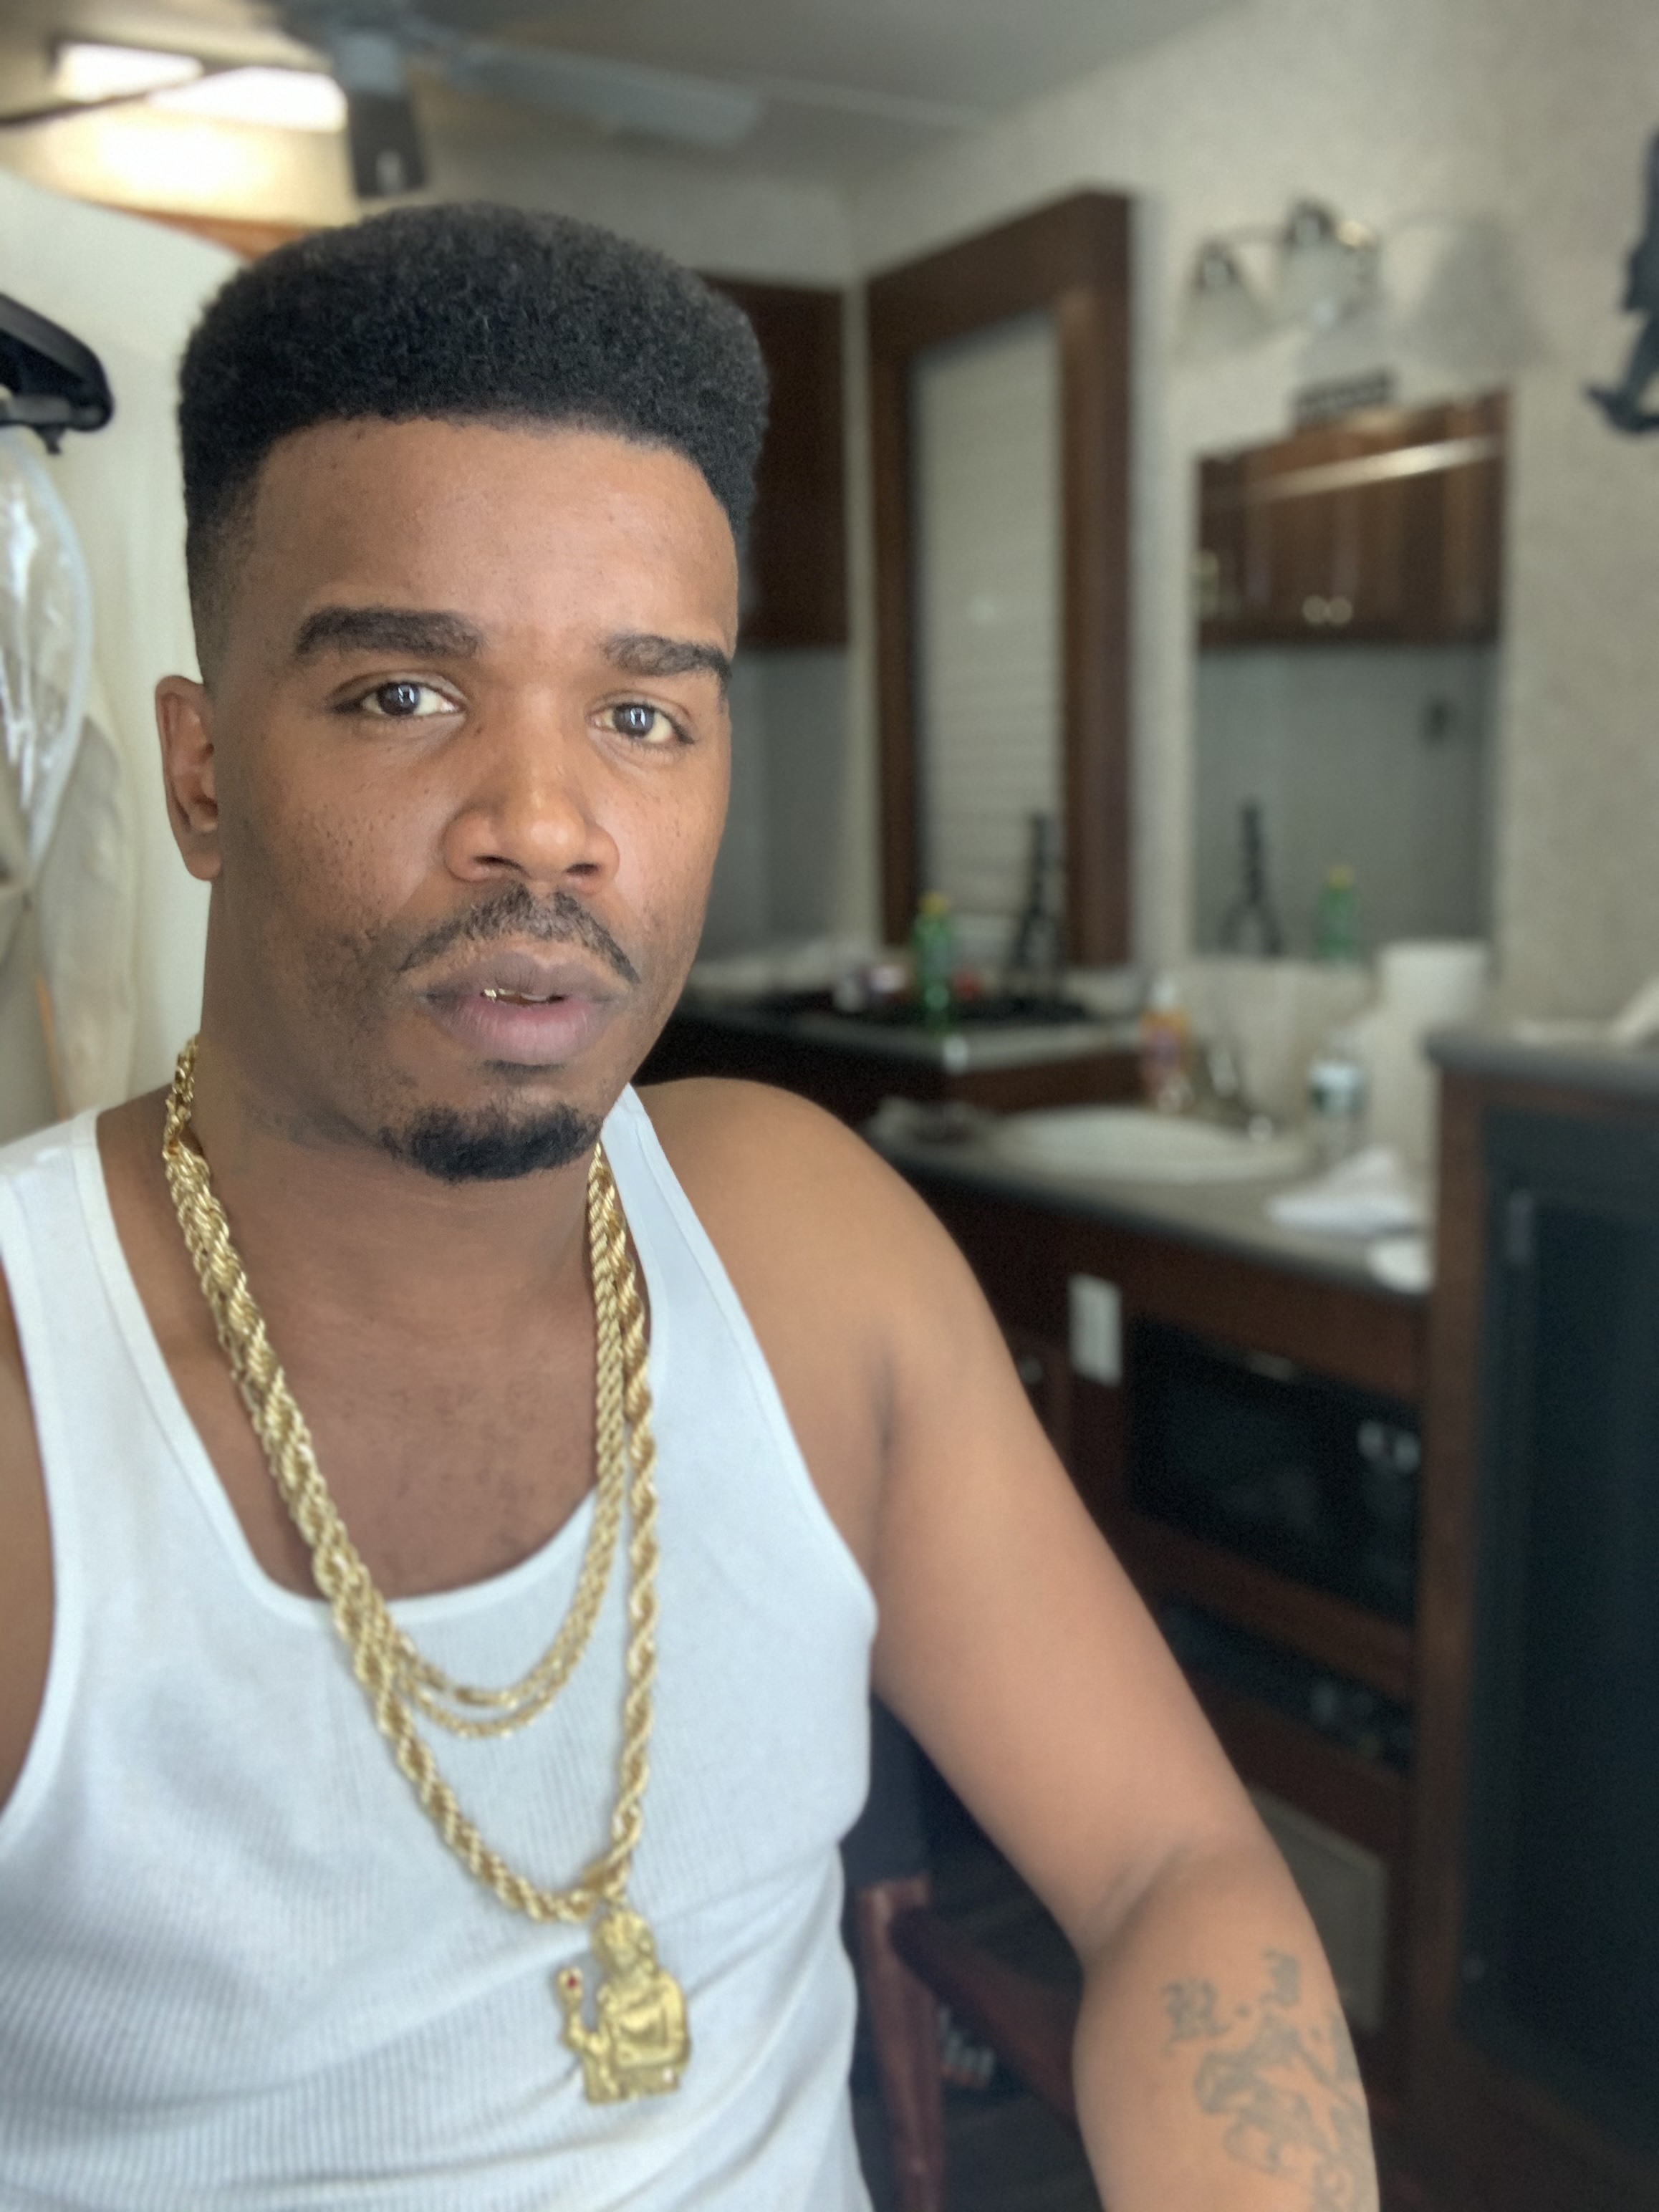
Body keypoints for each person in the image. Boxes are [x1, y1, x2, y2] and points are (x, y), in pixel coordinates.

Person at [0, 205, 1377, 2212]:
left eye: (642, 713)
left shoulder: (803, 1251)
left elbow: (1176, 1868)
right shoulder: (40, 1416)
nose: (545, 827)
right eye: (404, 694)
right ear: (203, 776)